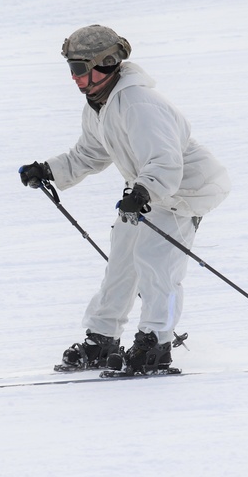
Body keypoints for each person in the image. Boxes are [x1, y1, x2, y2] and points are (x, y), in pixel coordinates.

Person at [19, 25, 231, 375]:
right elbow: (89, 153)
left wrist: (144, 191)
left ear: (105, 64)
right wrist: (48, 170)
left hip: (184, 190)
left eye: (78, 69)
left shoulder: (139, 104)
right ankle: (103, 338)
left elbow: (165, 160)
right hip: (146, 190)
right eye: (70, 69)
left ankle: (155, 343)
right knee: (121, 262)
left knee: (155, 262)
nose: (73, 78)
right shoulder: (100, 105)